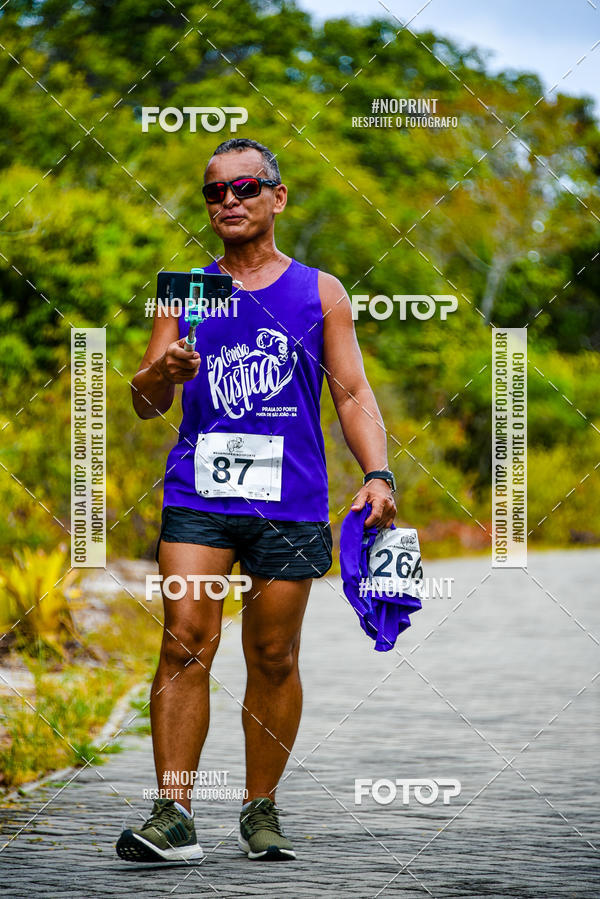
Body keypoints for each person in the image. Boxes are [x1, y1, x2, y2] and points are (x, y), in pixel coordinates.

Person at [117, 137, 397, 863]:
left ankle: (260, 808)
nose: (229, 201)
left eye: (245, 187)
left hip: (290, 499)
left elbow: (352, 392)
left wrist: (379, 474)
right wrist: (164, 371)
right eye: (215, 191)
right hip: (200, 493)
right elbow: (145, 400)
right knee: (184, 638)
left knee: (273, 654)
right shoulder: (187, 289)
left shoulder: (319, 291)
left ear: (278, 196)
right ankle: (173, 813)